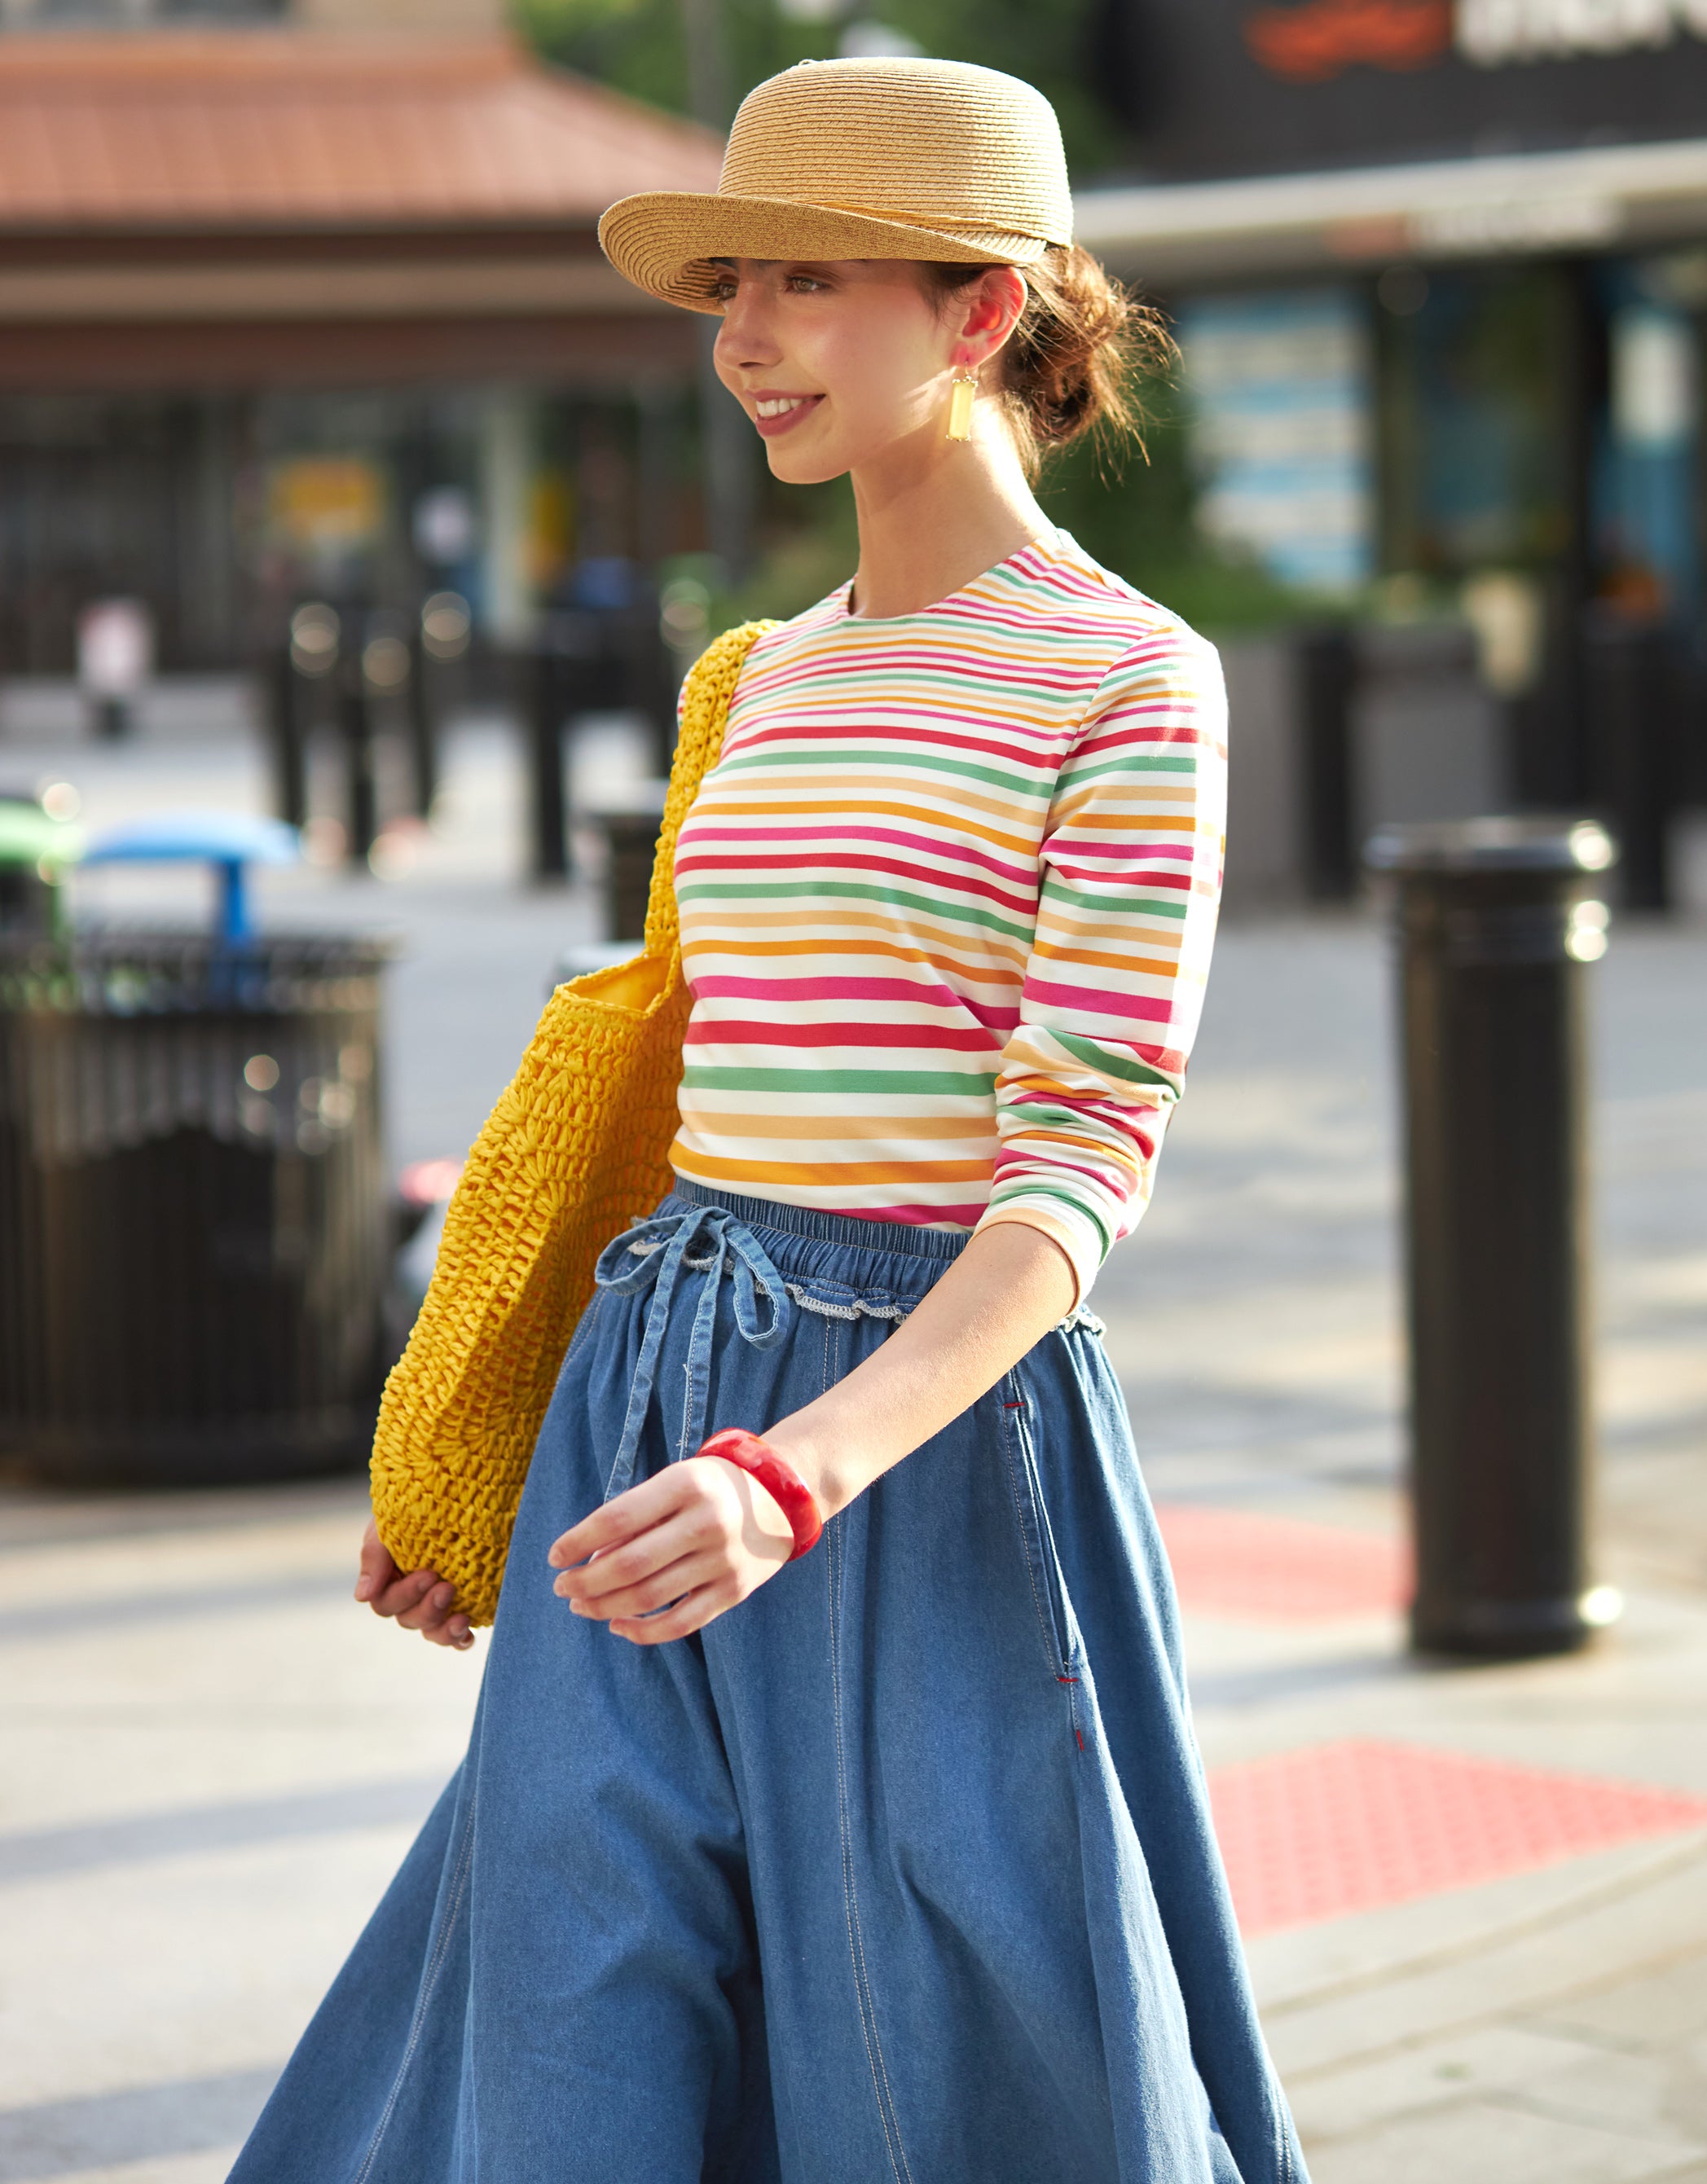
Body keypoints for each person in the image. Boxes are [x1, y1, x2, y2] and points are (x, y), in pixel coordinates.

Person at [231, 55, 1308, 2184]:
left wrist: (793, 1475)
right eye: (734, 285)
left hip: (912, 1454)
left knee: (938, 2070)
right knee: (562, 1996)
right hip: (648, 1394)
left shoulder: (1126, 679)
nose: (741, 343)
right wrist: (486, 1431)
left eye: (804, 283)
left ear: (984, 310)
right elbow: (670, 1090)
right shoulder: (758, 674)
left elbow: (1076, 1172)